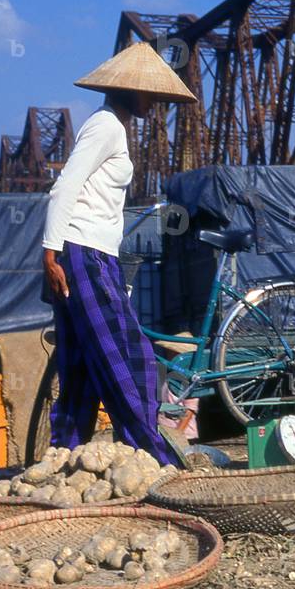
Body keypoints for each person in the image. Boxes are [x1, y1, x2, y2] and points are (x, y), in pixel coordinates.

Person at [41, 42, 198, 465]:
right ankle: (150, 453)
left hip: (90, 252)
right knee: (131, 355)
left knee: (79, 364)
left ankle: (63, 455)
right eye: (147, 93)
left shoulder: (113, 125)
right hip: (83, 252)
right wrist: (50, 254)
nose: (153, 102)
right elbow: (65, 186)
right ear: (127, 90)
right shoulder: (106, 125)